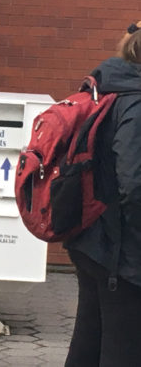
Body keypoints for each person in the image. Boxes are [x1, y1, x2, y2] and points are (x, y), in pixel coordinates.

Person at [64, 22, 141, 367]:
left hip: (90, 240)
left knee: (87, 345)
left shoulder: (104, 88)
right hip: (122, 253)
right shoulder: (136, 101)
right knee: (121, 351)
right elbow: (133, 180)